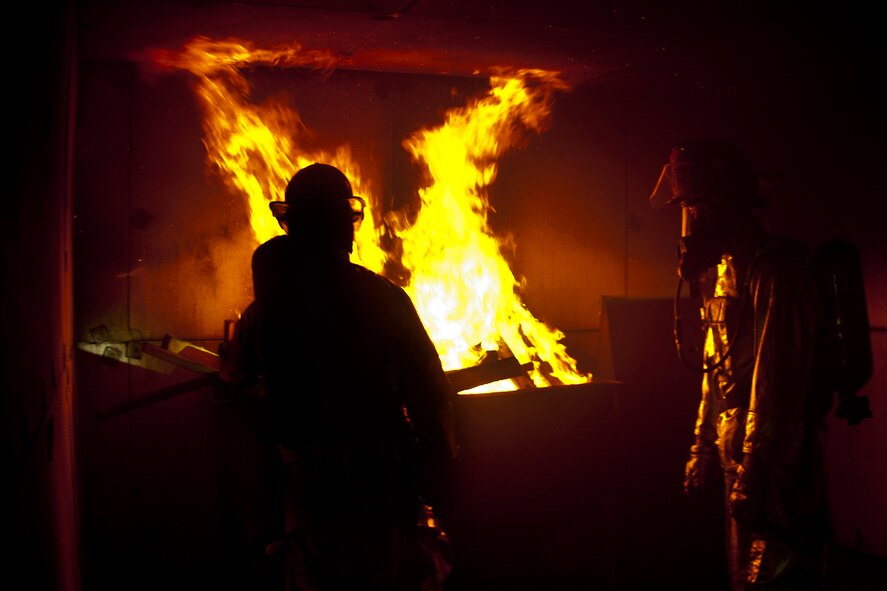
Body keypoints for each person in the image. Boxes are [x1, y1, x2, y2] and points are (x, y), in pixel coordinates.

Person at [221, 163, 458, 591]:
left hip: (309, 493)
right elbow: (429, 396)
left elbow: (237, 381)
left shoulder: (267, 311)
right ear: (345, 225)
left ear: (290, 224)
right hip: (381, 486)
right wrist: (443, 484)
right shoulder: (384, 299)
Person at [649, 139, 832, 590]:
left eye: (698, 207)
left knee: (777, 573)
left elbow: (777, 380)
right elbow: (717, 370)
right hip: (744, 457)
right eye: (687, 208)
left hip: (778, 462)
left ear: (729, 206)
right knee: (743, 573)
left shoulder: (776, 271)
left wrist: (755, 467)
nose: (690, 222)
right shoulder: (723, 273)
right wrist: (702, 448)